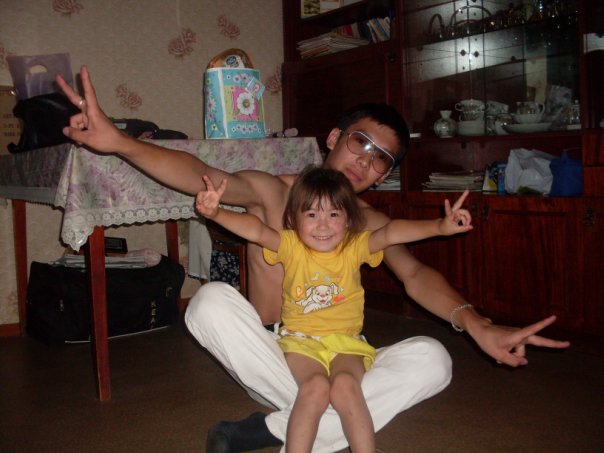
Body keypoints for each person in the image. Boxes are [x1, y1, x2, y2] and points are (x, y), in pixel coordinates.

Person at [56, 66, 570, 453]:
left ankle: (271, 429)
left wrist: (478, 325)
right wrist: (119, 142)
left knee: (434, 358)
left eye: (381, 159)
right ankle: (318, 415)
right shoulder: (273, 192)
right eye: (360, 142)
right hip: (278, 353)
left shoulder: (367, 222)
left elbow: (414, 273)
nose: (365, 161)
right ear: (333, 139)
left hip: (342, 354)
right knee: (209, 302)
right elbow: (204, 176)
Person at [195, 166, 473, 452]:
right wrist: (216, 213)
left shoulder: (355, 245)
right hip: (301, 342)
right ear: (292, 219)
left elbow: (390, 232)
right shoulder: (290, 244)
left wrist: (439, 226)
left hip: (347, 343)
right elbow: (256, 230)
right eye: (311, 215)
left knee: (346, 387)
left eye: (334, 214)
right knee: (314, 388)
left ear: (349, 220)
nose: (323, 225)